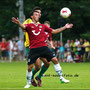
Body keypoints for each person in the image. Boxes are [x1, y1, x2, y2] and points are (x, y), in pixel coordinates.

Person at [12, 7, 73, 88]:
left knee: (53, 60)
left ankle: (61, 78)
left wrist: (65, 27)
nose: (39, 15)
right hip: (33, 48)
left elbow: (54, 31)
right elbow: (23, 27)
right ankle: (28, 83)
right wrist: (18, 23)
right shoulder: (29, 24)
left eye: (39, 14)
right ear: (32, 16)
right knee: (32, 67)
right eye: (36, 14)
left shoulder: (43, 26)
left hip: (43, 47)